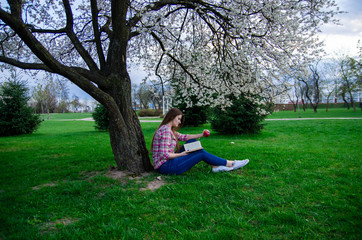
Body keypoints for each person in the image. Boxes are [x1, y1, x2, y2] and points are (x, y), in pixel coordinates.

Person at [151, 108, 249, 175]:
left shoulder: (169, 129)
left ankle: (215, 166)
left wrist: (201, 135)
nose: (180, 122)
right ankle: (230, 163)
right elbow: (165, 155)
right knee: (200, 153)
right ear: (172, 117)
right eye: (179, 119)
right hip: (165, 167)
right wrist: (182, 154)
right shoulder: (166, 131)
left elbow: (185, 137)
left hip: (169, 162)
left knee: (193, 142)